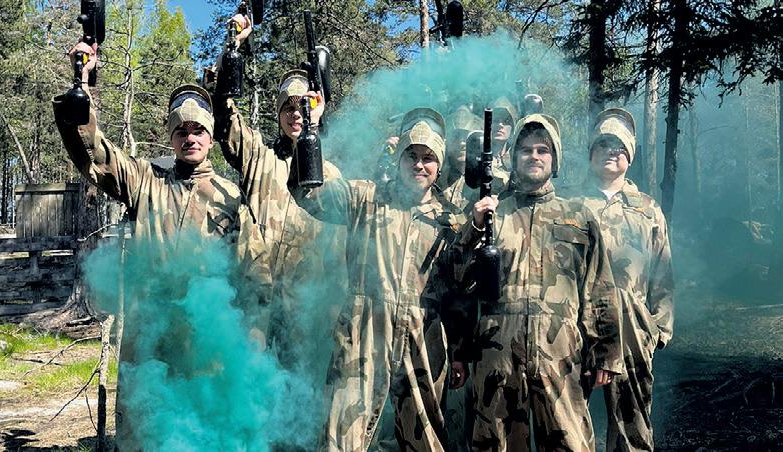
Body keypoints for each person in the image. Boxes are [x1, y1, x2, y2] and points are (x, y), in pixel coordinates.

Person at [53, 40, 269, 450]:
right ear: (171, 137)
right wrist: (82, 86)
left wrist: (250, 348)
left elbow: (254, 277)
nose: (190, 138)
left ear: (211, 136)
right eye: (181, 130)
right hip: (150, 344)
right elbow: (94, 154)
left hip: (208, 348)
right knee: (147, 435)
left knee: (207, 436)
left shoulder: (232, 198)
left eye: (198, 130)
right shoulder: (145, 180)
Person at [435, 113, 624, 450]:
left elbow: (600, 289)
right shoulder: (492, 214)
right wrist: (474, 227)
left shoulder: (578, 216)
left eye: (542, 150)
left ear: (555, 160)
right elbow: (459, 284)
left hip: (560, 354)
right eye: (525, 150)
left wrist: (606, 353)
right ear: (513, 157)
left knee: (570, 442)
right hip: (497, 358)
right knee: (495, 444)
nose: (534, 156)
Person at [289, 108, 464, 451]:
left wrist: (458, 350)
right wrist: (310, 129)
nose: (419, 164)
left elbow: (458, 295)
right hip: (363, 330)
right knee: (340, 437)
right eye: (411, 155)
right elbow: (308, 194)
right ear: (398, 158)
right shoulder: (364, 198)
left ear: (439, 164)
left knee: (425, 439)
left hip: (423, 337)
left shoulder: (450, 221)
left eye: (428, 157)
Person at [212, 13, 347, 366]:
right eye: (288, 106)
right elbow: (224, 117)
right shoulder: (259, 157)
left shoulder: (330, 173)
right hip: (256, 316)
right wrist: (231, 50)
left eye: (303, 106)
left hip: (309, 318)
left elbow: (342, 251)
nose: (295, 113)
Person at [572, 108, 674, 451]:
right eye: (603, 144)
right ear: (591, 152)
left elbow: (663, 272)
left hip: (632, 327)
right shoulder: (569, 204)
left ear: (630, 154)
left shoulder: (647, 209)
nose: (610, 151)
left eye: (619, 146)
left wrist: (657, 330)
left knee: (632, 426)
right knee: (568, 421)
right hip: (577, 327)